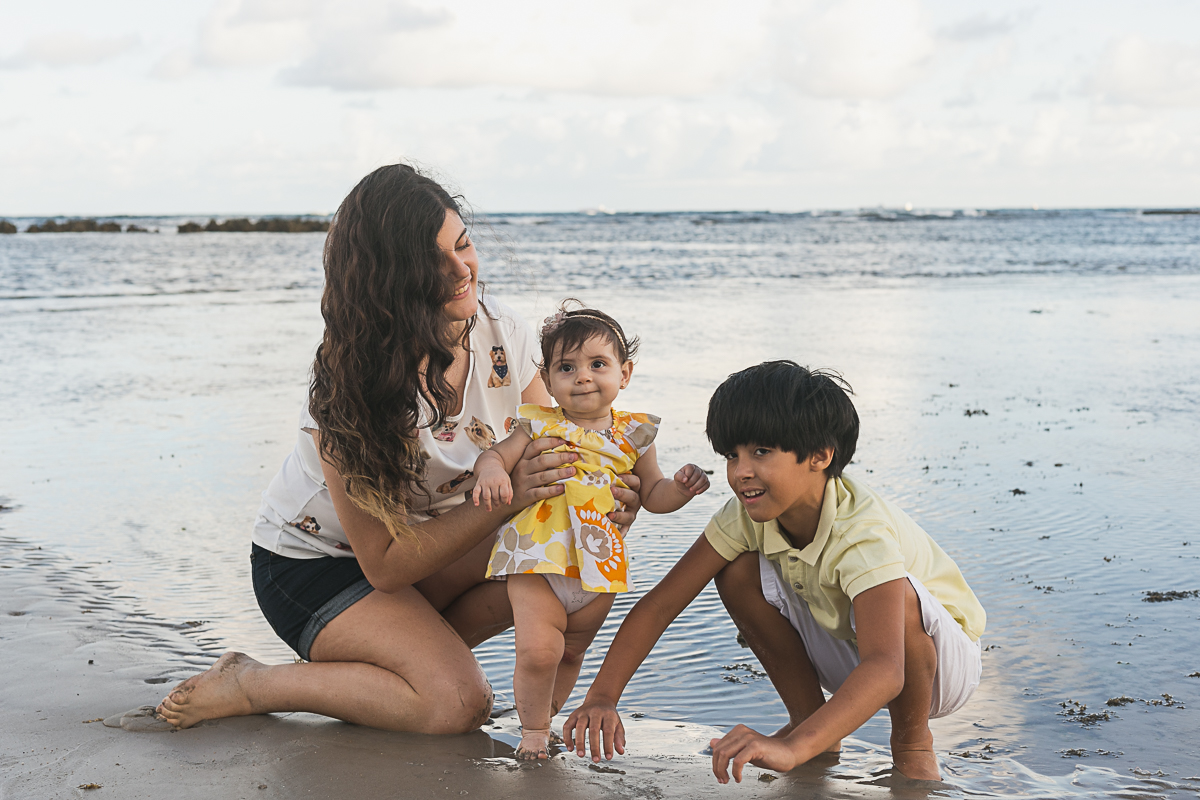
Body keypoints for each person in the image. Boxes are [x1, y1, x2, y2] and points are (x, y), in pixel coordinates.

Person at [153, 164, 644, 734]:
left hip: (434, 548)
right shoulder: (351, 386)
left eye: (463, 245)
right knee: (456, 705)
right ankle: (252, 682)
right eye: (434, 261)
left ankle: (402, 664)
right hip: (319, 566)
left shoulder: (501, 332)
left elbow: (553, 450)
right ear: (388, 278)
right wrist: (514, 498)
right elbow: (385, 565)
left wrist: (605, 494)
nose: (462, 270)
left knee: (556, 564)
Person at [564, 361, 986, 783]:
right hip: (853, 648)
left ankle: (913, 746)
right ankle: (809, 721)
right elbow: (661, 604)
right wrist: (603, 696)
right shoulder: (746, 514)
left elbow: (886, 667)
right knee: (735, 569)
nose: (740, 471)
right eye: (732, 455)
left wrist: (791, 751)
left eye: (761, 452)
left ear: (820, 456)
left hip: (938, 667)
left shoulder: (861, 532)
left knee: (903, 599)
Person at [470, 304, 709, 760]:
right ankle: (533, 731)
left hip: (598, 568)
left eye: (598, 364)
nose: (582, 377)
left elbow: (652, 493)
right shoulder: (539, 423)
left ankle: (545, 716)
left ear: (625, 373)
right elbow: (494, 455)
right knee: (539, 652)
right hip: (538, 560)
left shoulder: (634, 434)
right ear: (547, 378)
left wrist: (680, 490)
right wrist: (492, 472)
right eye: (566, 368)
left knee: (571, 654)